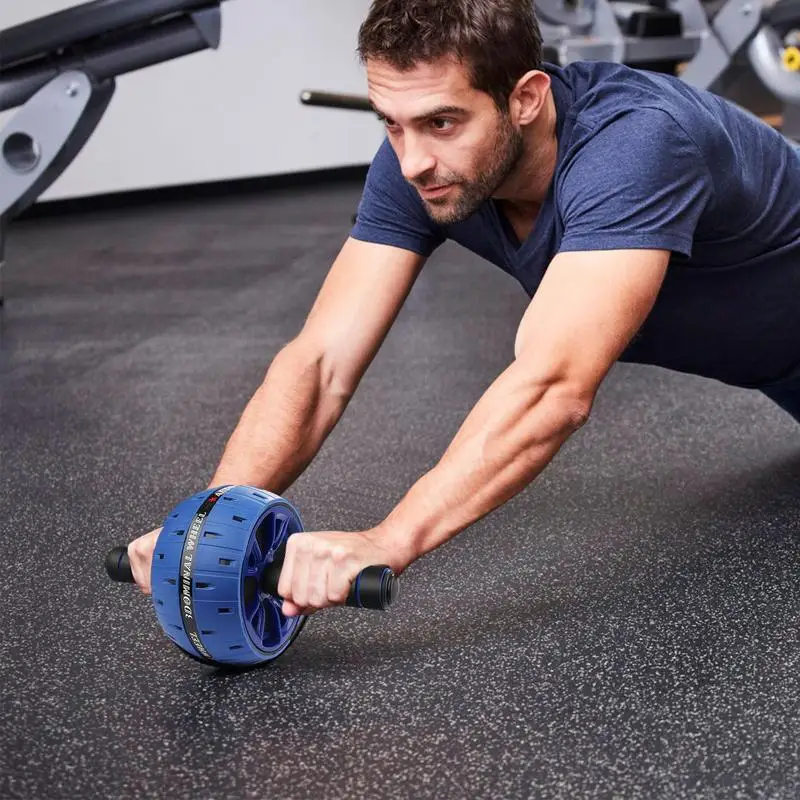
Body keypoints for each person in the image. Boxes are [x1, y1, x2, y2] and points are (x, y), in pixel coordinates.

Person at [127, 0, 800, 616]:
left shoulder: (637, 142)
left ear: (526, 98)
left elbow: (554, 386)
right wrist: (213, 522)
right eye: (390, 124)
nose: (413, 159)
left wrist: (388, 540)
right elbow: (322, 360)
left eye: (441, 122)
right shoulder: (422, 167)